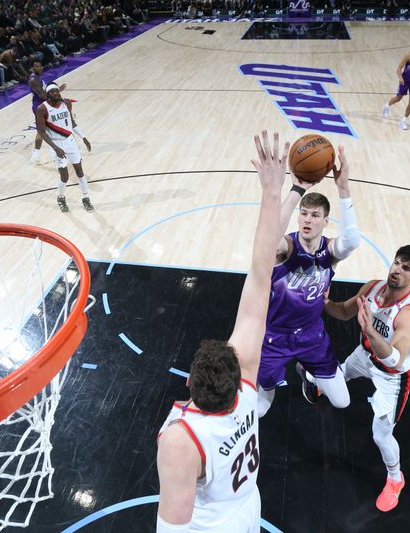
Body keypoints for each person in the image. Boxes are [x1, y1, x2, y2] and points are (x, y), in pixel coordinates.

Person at [156, 131, 287, 533]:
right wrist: (275, 191)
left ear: (192, 382)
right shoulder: (248, 386)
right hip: (248, 506)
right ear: (238, 379)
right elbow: (262, 274)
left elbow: (173, 527)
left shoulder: (182, 440)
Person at [255, 148, 360, 417]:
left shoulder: (330, 252)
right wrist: (296, 190)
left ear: (326, 221)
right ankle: (282, 374)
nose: (307, 220)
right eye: (304, 214)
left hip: (312, 335)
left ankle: (307, 372)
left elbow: (351, 241)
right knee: (262, 410)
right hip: (274, 336)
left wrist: (343, 187)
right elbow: (269, 234)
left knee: (342, 401)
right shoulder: (286, 248)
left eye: (314, 215)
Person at [324, 245, 410, 512]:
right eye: (396, 263)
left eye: (406, 268)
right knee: (335, 375)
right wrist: (323, 302)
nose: (397, 270)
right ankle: (316, 386)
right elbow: (345, 311)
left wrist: (370, 330)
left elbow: (394, 358)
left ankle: (395, 479)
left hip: (394, 376)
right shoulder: (372, 287)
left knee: (381, 435)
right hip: (366, 355)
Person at [36, 84, 94, 212]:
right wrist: (55, 148)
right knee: (65, 176)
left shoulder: (66, 103)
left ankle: (86, 198)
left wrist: (83, 137)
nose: (56, 93)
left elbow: (72, 122)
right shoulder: (42, 109)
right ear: (48, 95)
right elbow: (41, 131)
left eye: (57, 90)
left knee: (80, 171)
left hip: (70, 141)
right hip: (57, 144)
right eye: (53, 92)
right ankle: (61, 197)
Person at [382, 34, 410, 131]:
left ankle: (403, 120)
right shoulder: (409, 55)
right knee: (398, 98)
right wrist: (400, 77)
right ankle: (386, 105)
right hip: (405, 80)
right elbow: (399, 68)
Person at [28, 60, 66, 164]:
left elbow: (45, 93)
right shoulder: (33, 80)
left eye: (40, 66)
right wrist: (57, 96)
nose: (39, 68)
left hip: (44, 104)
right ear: (32, 68)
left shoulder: (37, 78)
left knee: (46, 129)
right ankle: (38, 154)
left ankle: (36, 155)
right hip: (40, 106)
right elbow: (43, 95)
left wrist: (57, 90)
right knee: (43, 130)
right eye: (36, 66)